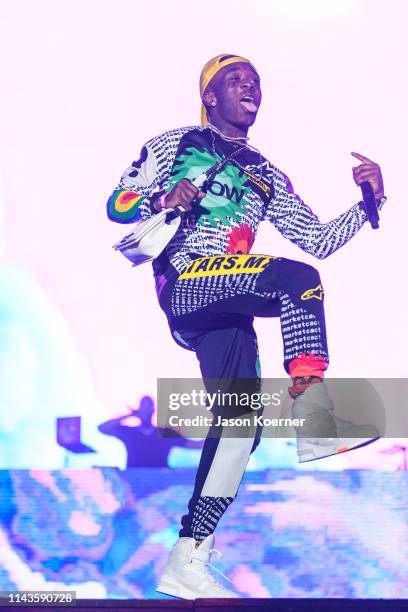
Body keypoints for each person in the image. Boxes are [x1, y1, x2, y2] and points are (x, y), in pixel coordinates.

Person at [106, 54, 386, 599]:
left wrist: (368, 203)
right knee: (296, 280)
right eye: (235, 80)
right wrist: (164, 197)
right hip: (189, 282)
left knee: (240, 427)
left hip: (230, 302)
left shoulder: (266, 175)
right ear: (209, 96)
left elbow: (319, 240)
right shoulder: (175, 144)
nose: (249, 86)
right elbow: (116, 204)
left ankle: (189, 559)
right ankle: (316, 420)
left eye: (255, 81)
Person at [98, 395, 202, 468]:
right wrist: (130, 415)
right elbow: (102, 428)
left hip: (159, 482)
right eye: (143, 407)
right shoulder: (130, 433)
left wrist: (215, 441)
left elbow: (194, 444)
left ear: (153, 410)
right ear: (138, 409)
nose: (146, 410)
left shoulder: (164, 433)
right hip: (134, 482)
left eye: (149, 406)